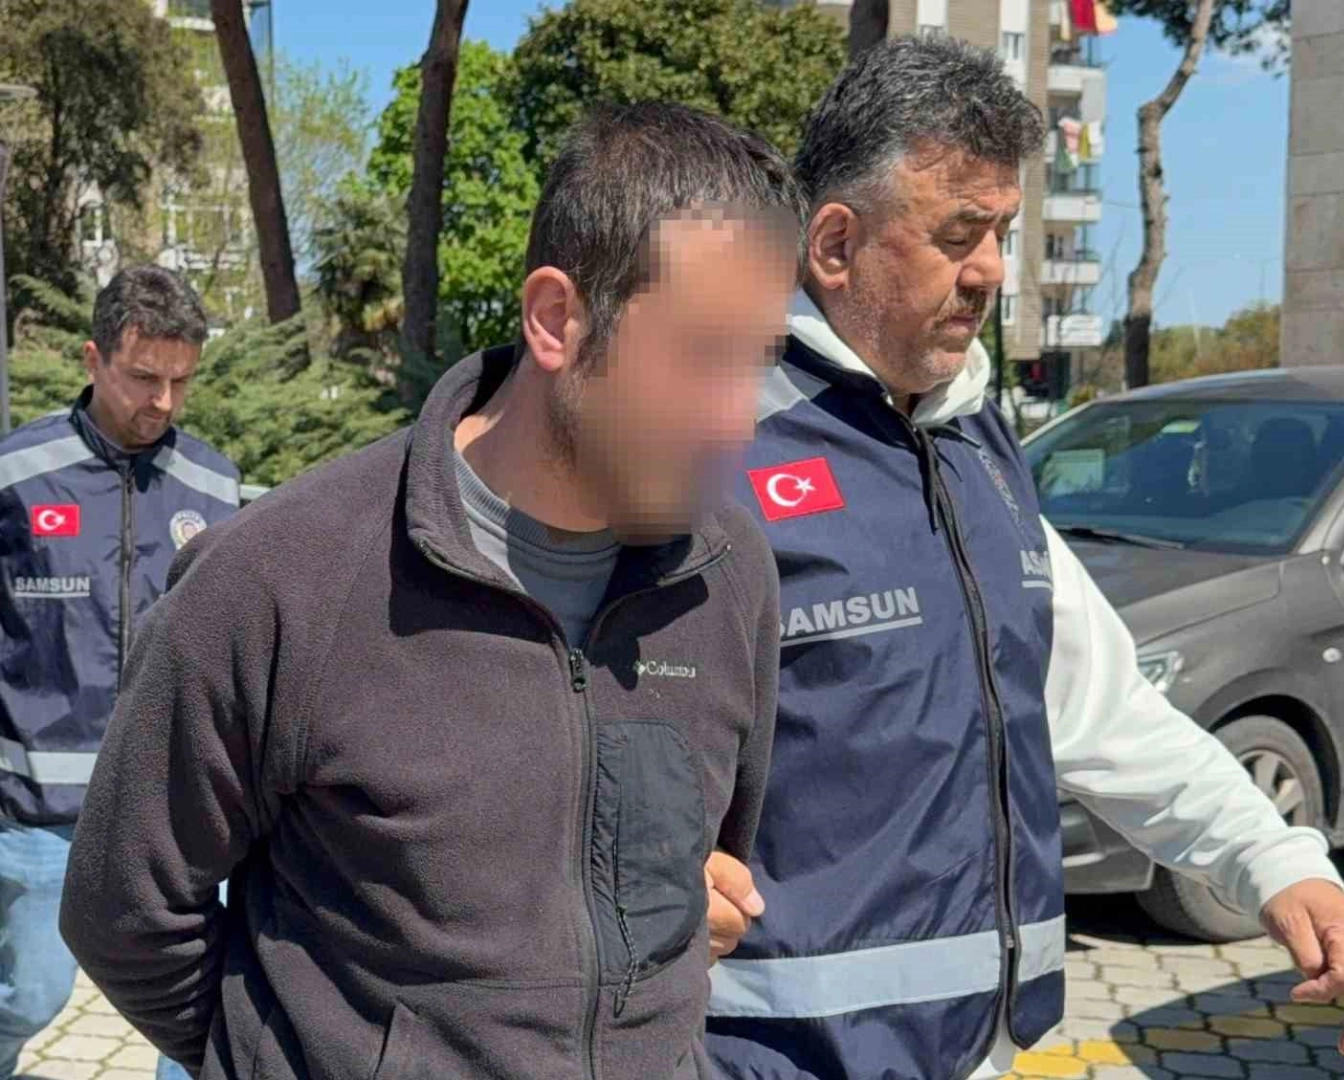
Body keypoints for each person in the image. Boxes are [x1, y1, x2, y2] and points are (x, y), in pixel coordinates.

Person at [59, 101, 800, 1080]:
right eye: (703, 356)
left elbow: (699, 871)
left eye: (757, 362)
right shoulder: (281, 578)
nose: (740, 421)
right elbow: (123, 912)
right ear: (557, 319)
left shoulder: (729, 575)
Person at [702, 37, 1344, 1080]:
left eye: (1003, 233)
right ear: (834, 244)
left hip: (985, 1051)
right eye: (958, 234)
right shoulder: (712, 440)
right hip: (772, 1057)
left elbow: (1097, 709)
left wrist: (1278, 864)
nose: (989, 269)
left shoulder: (975, 440)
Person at [0, 265, 238, 1078]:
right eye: (143, 378)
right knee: (30, 993)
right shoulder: (16, 476)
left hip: (178, 810)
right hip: (41, 816)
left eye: (181, 381)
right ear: (93, 358)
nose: (163, 402)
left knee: (203, 1014)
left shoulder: (214, 485)